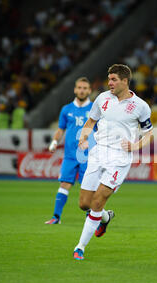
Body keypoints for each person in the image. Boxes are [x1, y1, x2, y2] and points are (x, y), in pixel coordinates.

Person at [73, 64, 153, 260]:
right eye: (109, 79)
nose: (110, 83)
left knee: (98, 200)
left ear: (125, 81)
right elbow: (91, 122)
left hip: (119, 158)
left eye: (114, 79)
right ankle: (105, 217)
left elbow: (149, 133)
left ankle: (80, 247)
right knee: (85, 204)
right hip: (98, 152)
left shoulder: (140, 106)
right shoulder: (102, 99)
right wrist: (83, 138)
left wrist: (135, 146)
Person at [45, 77, 95, 224]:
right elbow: (61, 129)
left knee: (88, 187)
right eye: (79, 87)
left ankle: (90, 218)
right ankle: (56, 217)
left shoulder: (94, 109)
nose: (82, 90)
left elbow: (100, 131)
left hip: (88, 156)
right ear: (75, 89)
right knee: (64, 185)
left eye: (85, 88)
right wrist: (54, 142)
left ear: (89, 90)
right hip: (70, 156)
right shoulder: (66, 109)